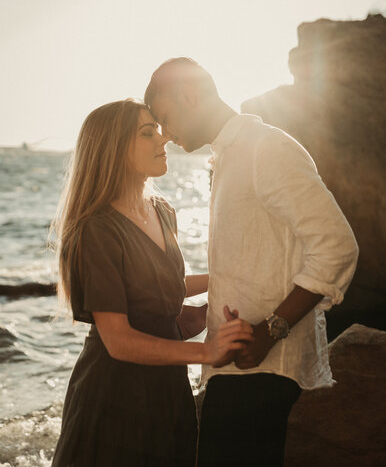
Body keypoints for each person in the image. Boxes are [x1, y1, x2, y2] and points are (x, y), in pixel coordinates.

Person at [145, 58, 359, 467]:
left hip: (262, 368)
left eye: (166, 119)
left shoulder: (265, 147)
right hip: (240, 365)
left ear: (190, 95)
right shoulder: (230, 156)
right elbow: (259, 258)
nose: (167, 136)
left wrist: (270, 331)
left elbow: (337, 246)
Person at [50, 99, 253, 467]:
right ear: (114, 147)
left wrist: (232, 278)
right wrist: (206, 353)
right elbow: (119, 341)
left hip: (168, 388)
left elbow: (162, 287)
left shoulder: (163, 210)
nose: (164, 140)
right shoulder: (97, 228)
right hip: (114, 395)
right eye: (148, 133)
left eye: (159, 130)